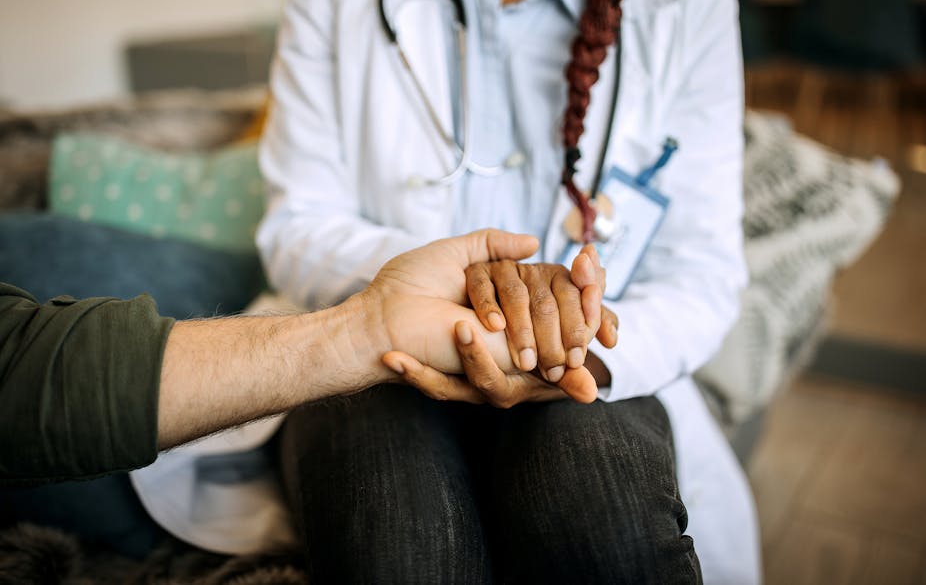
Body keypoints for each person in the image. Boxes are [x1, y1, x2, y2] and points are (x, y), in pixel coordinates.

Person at [244, 0, 762, 582]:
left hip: (581, 359)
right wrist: (472, 287)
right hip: (375, 343)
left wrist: (573, 342)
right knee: (400, 554)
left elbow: (700, 274)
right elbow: (297, 226)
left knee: (609, 536)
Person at [0, 228, 609, 487]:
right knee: (393, 514)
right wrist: (378, 320)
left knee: (598, 503)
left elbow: (699, 280)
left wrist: (579, 328)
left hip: (596, 360)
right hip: (381, 333)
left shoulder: (695, 11)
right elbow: (296, 227)